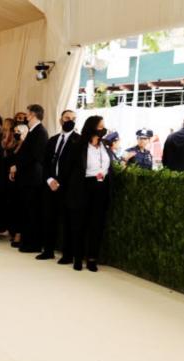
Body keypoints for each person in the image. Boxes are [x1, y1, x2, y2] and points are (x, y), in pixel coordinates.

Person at [63, 115, 114, 272]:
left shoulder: (105, 145)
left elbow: (109, 166)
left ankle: (92, 258)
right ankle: (77, 257)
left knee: (96, 225)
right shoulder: (78, 145)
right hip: (83, 188)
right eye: (100, 127)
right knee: (80, 224)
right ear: (92, 127)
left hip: (101, 188)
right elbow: (69, 168)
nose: (103, 130)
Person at [39, 109, 79, 262]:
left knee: (67, 222)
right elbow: (46, 162)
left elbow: (75, 167)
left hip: (67, 187)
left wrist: (60, 182)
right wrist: (49, 180)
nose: (70, 120)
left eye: (73, 118)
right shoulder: (53, 140)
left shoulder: (78, 140)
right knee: (49, 218)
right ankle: (48, 250)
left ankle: (67, 254)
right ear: (61, 120)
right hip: (50, 185)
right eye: (67, 118)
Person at [8, 104, 49, 253]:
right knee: (27, 210)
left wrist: (17, 166)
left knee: (32, 211)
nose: (26, 117)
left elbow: (34, 155)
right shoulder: (34, 131)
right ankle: (28, 241)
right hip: (27, 177)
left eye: (27, 114)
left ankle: (33, 243)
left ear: (33, 115)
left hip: (33, 178)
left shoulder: (40, 131)